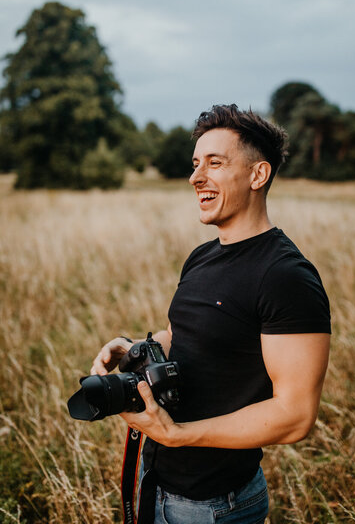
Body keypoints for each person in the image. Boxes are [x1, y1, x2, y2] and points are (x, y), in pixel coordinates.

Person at [91, 104, 331, 524]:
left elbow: (295, 415)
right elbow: (182, 336)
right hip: (156, 480)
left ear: (259, 175)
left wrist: (178, 435)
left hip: (215, 506)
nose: (195, 177)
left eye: (214, 163)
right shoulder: (203, 256)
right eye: (195, 164)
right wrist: (135, 348)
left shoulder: (285, 276)